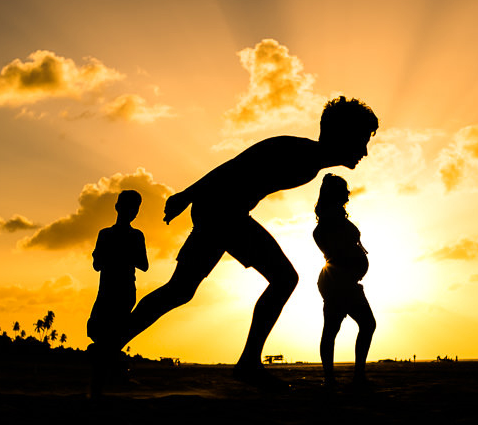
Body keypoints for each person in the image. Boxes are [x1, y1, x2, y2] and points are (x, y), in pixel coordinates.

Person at [114, 96, 378, 389]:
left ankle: (108, 347)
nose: (365, 151)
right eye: (362, 141)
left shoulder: (308, 162)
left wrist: (190, 196)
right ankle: (249, 363)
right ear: (343, 136)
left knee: (180, 290)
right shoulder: (300, 155)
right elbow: (234, 166)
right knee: (284, 278)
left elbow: (236, 168)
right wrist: (187, 194)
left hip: (219, 212)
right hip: (222, 212)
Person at [312, 174, 375, 387]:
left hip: (345, 281)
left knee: (355, 326)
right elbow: (335, 250)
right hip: (338, 281)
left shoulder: (337, 218)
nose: (348, 195)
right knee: (340, 327)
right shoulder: (326, 225)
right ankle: (335, 378)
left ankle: (352, 376)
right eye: (344, 191)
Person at [87, 190, 148, 395]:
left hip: (124, 292)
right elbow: (97, 264)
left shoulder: (135, 235)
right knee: (99, 333)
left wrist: (120, 253)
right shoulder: (105, 234)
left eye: (135, 208)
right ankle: (113, 376)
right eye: (130, 207)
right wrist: (108, 254)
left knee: (109, 336)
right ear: (118, 207)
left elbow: (144, 264)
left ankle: (103, 383)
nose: (132, 212)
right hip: (107, 291)